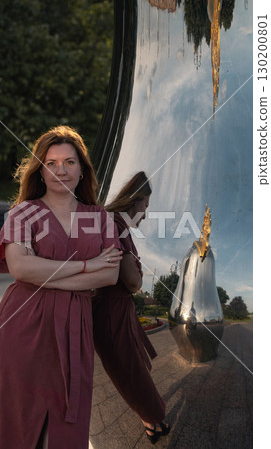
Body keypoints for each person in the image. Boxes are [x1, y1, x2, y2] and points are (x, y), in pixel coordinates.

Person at [0, 125, 122, 449]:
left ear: (82, 170)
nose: (60, 170)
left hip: (74, 328)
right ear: (40, 170)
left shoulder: (99, 217)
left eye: (69, 162)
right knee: (18, 421)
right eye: (51, 163)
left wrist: (48, 273)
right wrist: (87, 265)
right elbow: (21, 267)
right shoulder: (23, 213)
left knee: (66, 425)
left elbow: (109, 276)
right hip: (23, 327)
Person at [92, 172, 170, 445]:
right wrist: (135, 272)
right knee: (128, 369)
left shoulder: (117, 228)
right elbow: (133, 280)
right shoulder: (113, 225)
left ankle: (152, 417)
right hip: (111, 312)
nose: (146, 215)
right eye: (146, 206)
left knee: (132, 367)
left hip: (116, 309)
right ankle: (152, 419)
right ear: (134, 201)